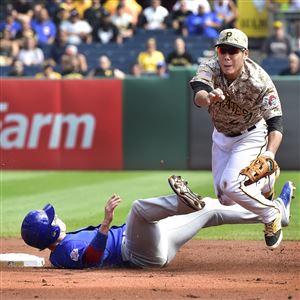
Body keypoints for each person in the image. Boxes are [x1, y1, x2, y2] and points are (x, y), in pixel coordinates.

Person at [20, 175, 294, 269]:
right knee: (138, 208)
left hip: (155, 241)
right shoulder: (65, 253)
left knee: (212, 208)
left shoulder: (60, 249)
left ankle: (275, 212)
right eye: (51, 218)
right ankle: (181, 202)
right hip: (138, 252)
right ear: (50, 230)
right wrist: (105, 224)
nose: (56, 216)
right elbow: (92, 258)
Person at [190, 28, 286, 250]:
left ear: (245, 53)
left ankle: (271, 213)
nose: (226, 56)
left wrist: (269, 153)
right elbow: (199, 93)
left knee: (232, 185)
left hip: (251, 135)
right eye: (223, 50)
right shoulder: (210, 66)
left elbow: (276, 123)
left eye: (233, 51)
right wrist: (209, 97)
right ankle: (266, 182)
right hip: (221, 136)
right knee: (226, 199)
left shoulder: (260, 80)